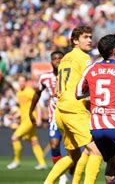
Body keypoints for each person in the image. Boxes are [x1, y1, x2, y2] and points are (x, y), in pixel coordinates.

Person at [76, 34, 115, 184]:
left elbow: (78, 94)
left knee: (111, 162)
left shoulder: (91, 68)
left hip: (96, 127)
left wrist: (92, 90)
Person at [44, 26, 102, 184]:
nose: (90, 40)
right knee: (97, 150)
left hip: (60, 110)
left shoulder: (65, 58)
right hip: (74, 109)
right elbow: (92, 82)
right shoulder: (84, 58)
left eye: (90, 37)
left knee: (73, 156)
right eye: (85, 37)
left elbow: (57, 88)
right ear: (75, 40)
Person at [29, 50, 69, 183]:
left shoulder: (70, 75)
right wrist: (31, 111)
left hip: (71, 115)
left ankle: (74, 173)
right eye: (54, 58)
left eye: (60, 58)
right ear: (51, 61)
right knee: (54, 144)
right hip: (54, 116)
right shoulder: (45, 77)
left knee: (73, 149)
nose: (57, 60)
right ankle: (62, 175)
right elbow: (37, 93)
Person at [6, 74, 48, 170]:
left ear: (25, 82)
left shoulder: (29, 91)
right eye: (19, 81)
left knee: (14, 137)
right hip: (24, 120)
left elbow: (37, 104)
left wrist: (39, 118)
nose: (20, 83)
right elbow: (23, 109)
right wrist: (13, 117)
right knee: (34, 141)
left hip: (30, 120)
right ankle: (42, 163)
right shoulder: (19, 93)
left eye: (22, 81)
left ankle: (16, 161)